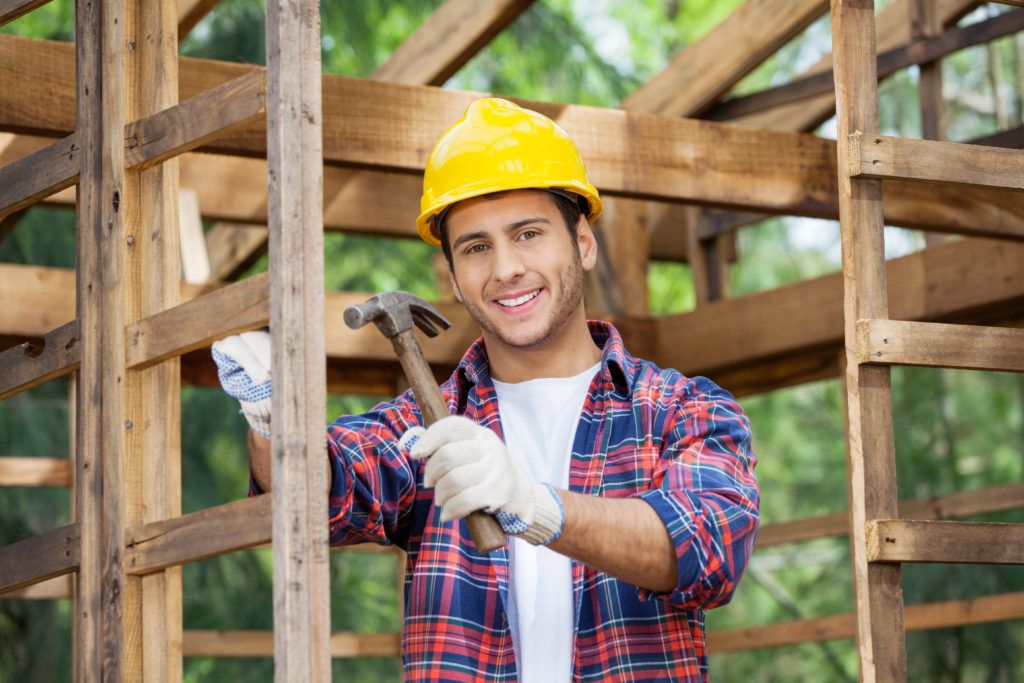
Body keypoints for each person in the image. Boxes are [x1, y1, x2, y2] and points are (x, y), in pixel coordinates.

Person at [212, 98, 759, 682]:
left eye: (528, 234)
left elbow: (706, 547)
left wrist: (534, 506)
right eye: (475, 247)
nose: (505, 269)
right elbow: (313, 499)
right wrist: (274, 419)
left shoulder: (681, 409)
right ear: (450, 276)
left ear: (584, 243)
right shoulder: (423, 426)